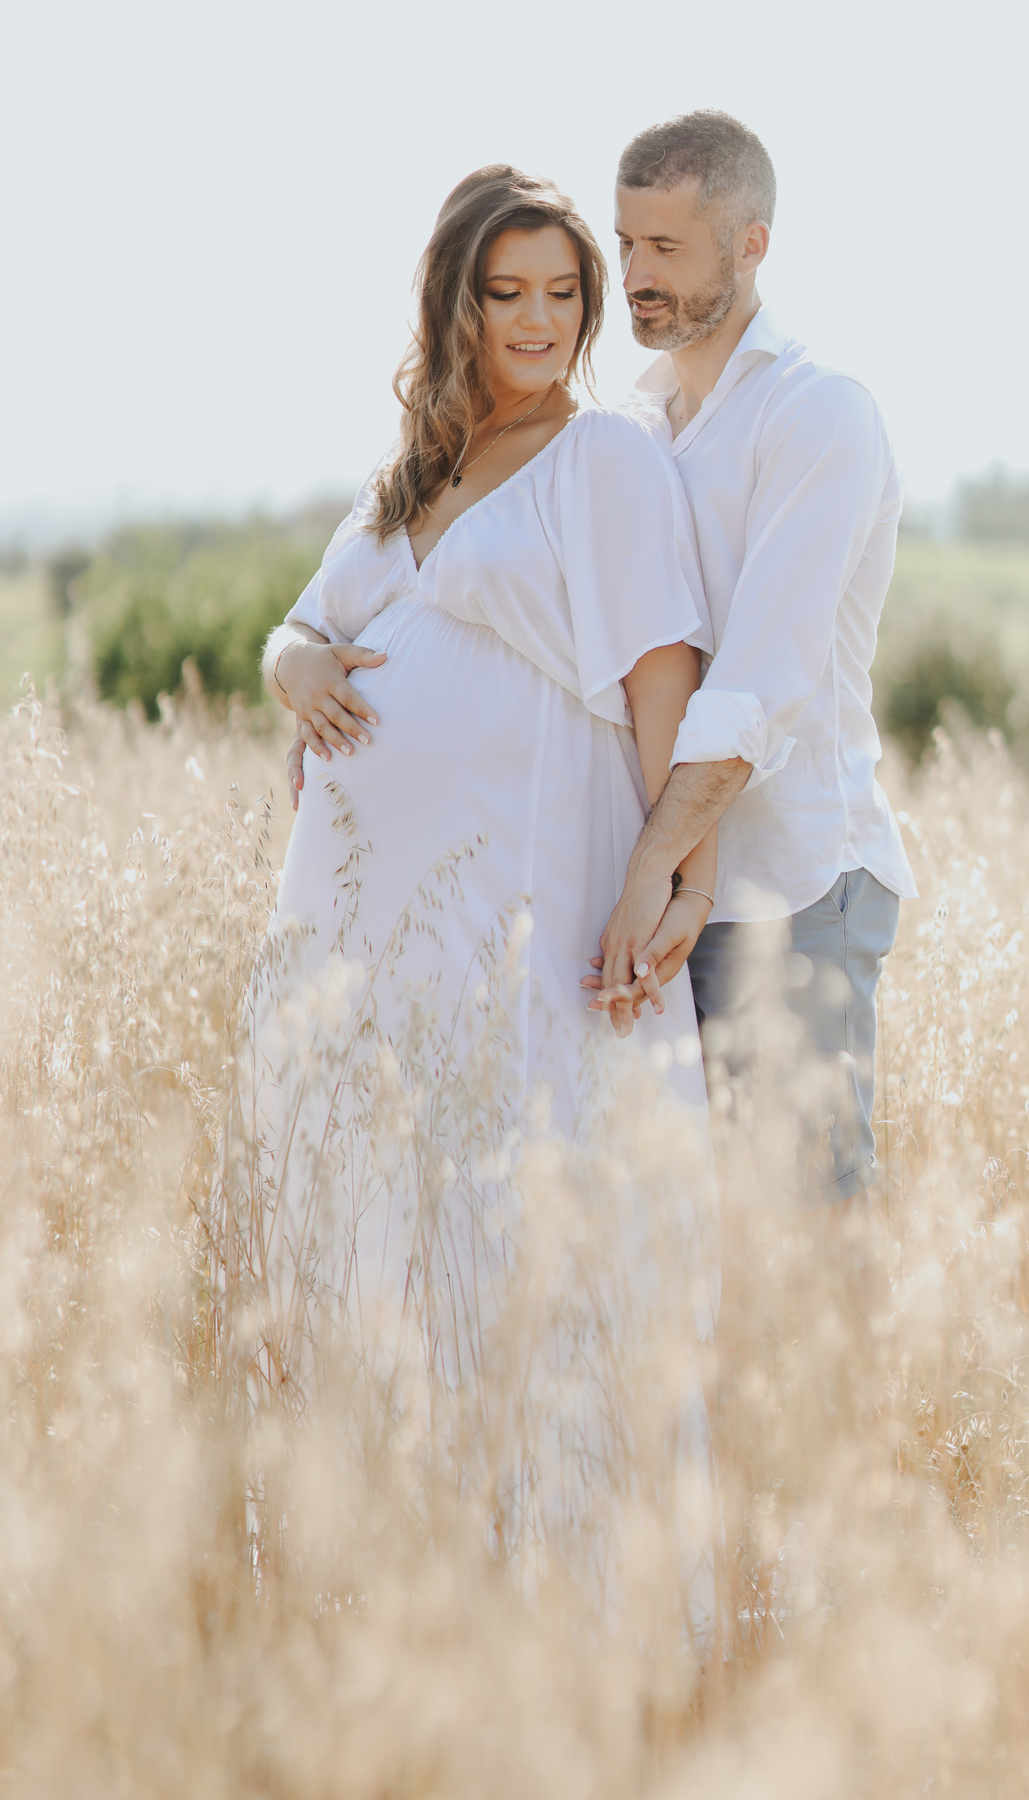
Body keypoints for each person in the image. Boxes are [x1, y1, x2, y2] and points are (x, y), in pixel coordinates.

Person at [231, 170, 721, 1616]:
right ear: (454, 304)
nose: (537, 319)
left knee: (525, 1229)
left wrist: (658, 879)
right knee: (379, 1233)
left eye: (562, 292)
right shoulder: (406, 484)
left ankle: (559, 1615)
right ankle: (386, 1603)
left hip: (529, 914)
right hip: (362, 953)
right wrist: (295, 665)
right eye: (505, 291)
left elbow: (659, 681)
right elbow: (297, 628)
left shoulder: (608, 463)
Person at [585, 111, 918, 1203]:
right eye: (627, 244)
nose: (636, 275)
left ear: (752, 243)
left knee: (806, 1237)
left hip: (794, 885)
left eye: (668, 248)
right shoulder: (632, 425)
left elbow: (763, 682)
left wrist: (649, 867)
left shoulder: (820, 414)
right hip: (677, 894)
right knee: (699, 1253)